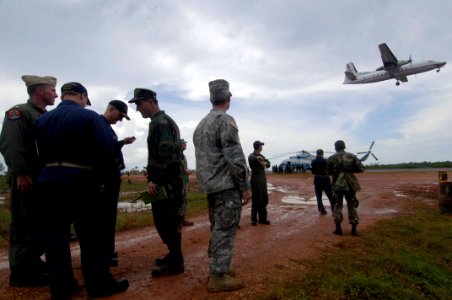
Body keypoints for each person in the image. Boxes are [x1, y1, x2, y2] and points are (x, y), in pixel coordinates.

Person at [34, 82, 129, 299]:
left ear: (64, 96)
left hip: (48, 181)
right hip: (81, 181)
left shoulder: (42, 120)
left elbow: (37, 152)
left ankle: (62, 287)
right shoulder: (89, 117)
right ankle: (99, 285)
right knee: (91, 237)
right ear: (83, 96)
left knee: (55, 238)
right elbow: (106, 151)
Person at [193, 79, 251, 293]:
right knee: (225, 230)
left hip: (210, 187)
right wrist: (244, 186)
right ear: (229, 98)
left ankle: (218, 267)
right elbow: (235, 157)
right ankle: (218, 275)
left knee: (217, 227)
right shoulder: (226, 120)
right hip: (226, 187)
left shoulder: (201, 125)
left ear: (211, 98)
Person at [0, 75, 57, 287]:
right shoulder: (19, 112)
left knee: (37, 222)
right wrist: (20, 172)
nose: (55, 94)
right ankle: (21, 272)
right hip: (26, 178)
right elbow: (11, 144)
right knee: (24, 223)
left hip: (40, 178)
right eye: (52, 90)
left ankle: (33, 262)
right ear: (39, 90)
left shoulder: (41, 114)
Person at [128, 88, 185, 277]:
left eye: (140, 103)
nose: (138, 109)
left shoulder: (160, 123)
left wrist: (155, 179)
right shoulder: (163, 121)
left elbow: (166, 153)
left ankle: (176, 262)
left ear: (151, 101)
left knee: (166, 221)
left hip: (166, 184)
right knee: (168, 220)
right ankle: (173, 254)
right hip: (170, 181)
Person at [101, 100, 136, 267]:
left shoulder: (107, 128)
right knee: (104, 218)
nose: (120, 120)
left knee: (109, 217)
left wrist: (122, 142)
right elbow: (104, 150)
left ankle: (107, 251)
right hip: (104, 180)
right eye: (120, 116)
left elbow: (110, 147)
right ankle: (104, 254)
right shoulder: (99, 125)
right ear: (111, 109)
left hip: (111, 178)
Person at [327, 140, 365, 236]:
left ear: (335, 148)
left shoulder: (331, 158)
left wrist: (337, 172)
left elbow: (328, 171)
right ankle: (354, 230)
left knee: (337, 205)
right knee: (352, 205)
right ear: (345, 147)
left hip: (338, 185)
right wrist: (350, 170)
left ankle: (338, 229)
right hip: (350, 184)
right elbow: (361, 168)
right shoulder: (352, 156)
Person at [248, 140, 271, 226]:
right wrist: (258, 158)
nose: (262, 147)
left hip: (263, 181)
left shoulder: (262, 156)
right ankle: (253, 219)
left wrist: (265, 163)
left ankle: (262, 219)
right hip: (256, 181)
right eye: (261, 145)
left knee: (264, 199)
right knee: (256, 200)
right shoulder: (252, 156)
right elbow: (252, 159)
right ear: (258, 147)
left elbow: (268, 164)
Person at [311, 149, 335, 215]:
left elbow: (313, 171)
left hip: (317, 178)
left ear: (316, 153)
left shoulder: (313, 161)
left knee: (318, 195)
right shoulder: (326, 161)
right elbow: (330, 171)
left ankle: (321, 210)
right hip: (325, 178)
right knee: (330, 195)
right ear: (322, 154)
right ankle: (334, 210)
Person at [179, 139, 194, 226]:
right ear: (180, 145)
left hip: (184, 180)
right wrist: (186, 172)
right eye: (184, 144)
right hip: (179, 181)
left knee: (184, 199)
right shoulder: (177, 155)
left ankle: (182, 220)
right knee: (180, 200)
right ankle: (179, 221)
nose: (185, 145)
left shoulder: (182, 156)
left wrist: (186, 172)